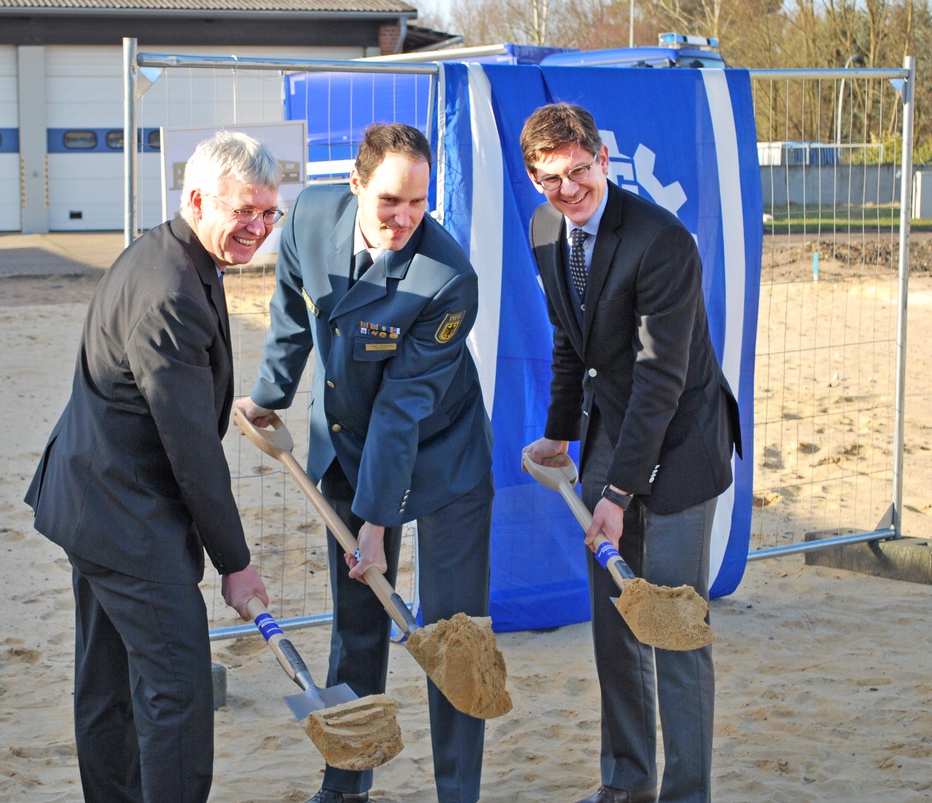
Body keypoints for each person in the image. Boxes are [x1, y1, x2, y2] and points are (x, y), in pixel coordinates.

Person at [235, 123, 494, 803]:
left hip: (444, 458)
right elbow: (292, 308)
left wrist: (376, 523)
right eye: (389, 202)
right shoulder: (311, 219)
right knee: (356, 624)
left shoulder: (448, 278)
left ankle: (457, 791)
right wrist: (269, 395)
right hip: (350, 444)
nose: (405, 218)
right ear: (355, 186)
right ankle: (346, 783)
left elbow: (404, 407)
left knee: (454, 635)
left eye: (419, 202)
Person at [24, 130, 277, 803]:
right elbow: (191, 451)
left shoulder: (168, 254)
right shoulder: (170, 291)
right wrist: (236, 561)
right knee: (178, 691)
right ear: (196, 199)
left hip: (95, 498)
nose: (256, 226)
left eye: (267, 212)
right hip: (124, 514)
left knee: (107, 684)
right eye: (242, 211)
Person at [518, 102, 741, 803]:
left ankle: (685, 794)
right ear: (533, 178)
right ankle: (626, 785)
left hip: (679, 446)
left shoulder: (661, 241)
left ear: (602, 160)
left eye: (579, 171)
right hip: (611, 434)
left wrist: (614, 497)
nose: (568, 190)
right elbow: (567, 339)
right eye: (551, 179)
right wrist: (559, 433)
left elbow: (660, 380)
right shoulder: (544, 229)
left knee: (672, 629)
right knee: (617, 629)